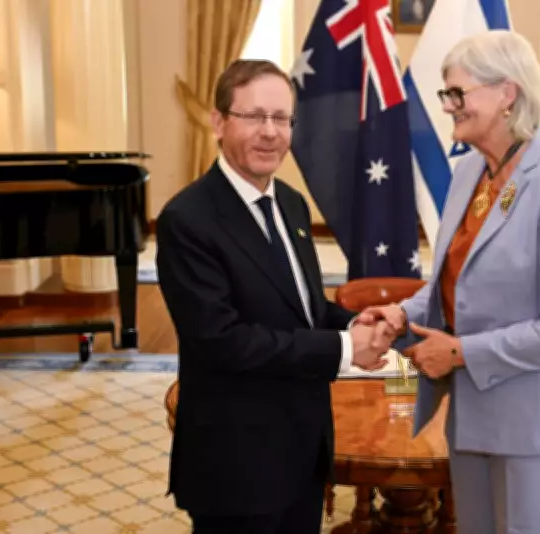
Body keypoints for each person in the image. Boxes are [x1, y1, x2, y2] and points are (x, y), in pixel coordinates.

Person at [358, 30, 540, 533]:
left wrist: (461, 352)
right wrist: (403, 314)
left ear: (507, 93)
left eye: (456, 93)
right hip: (471, 416)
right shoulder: (469, 172)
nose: (447, 106)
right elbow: (453, 285)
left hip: (534, 425)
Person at [155, 59, 393, 534]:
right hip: (237, 464)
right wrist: (345, 351)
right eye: (254, 116)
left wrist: (350, 322)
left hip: (303, 448)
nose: (271, 132)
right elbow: (223, 342)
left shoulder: (290, 202)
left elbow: (300, 306)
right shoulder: (187, 220)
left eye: (282, 118)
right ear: (219, 123)